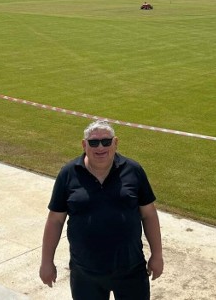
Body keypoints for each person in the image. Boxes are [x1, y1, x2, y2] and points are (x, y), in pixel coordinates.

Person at [39, 119, 163, 300]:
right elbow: (55, 220)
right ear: (84, 144)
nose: (100, 147)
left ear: (115, 142)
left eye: (106, 141)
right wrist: (46, 262)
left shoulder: (134, 170)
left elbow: (149, 214)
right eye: (94, 142)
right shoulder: (68, 173)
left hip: (131, 270)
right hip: (85, 273)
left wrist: (157, 255)